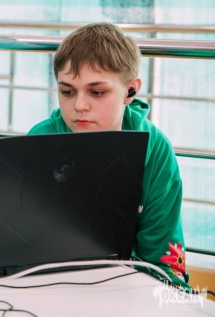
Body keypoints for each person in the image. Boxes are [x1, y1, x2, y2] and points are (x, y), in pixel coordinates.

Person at [28, 22, 190, 290]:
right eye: (67, 91)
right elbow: (22, 245)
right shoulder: (39, 141)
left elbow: (164, 263)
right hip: (49, 286)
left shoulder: (156, 149)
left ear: (130, 90)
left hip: (129, 289)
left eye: (97, 92)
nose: (79, 105)